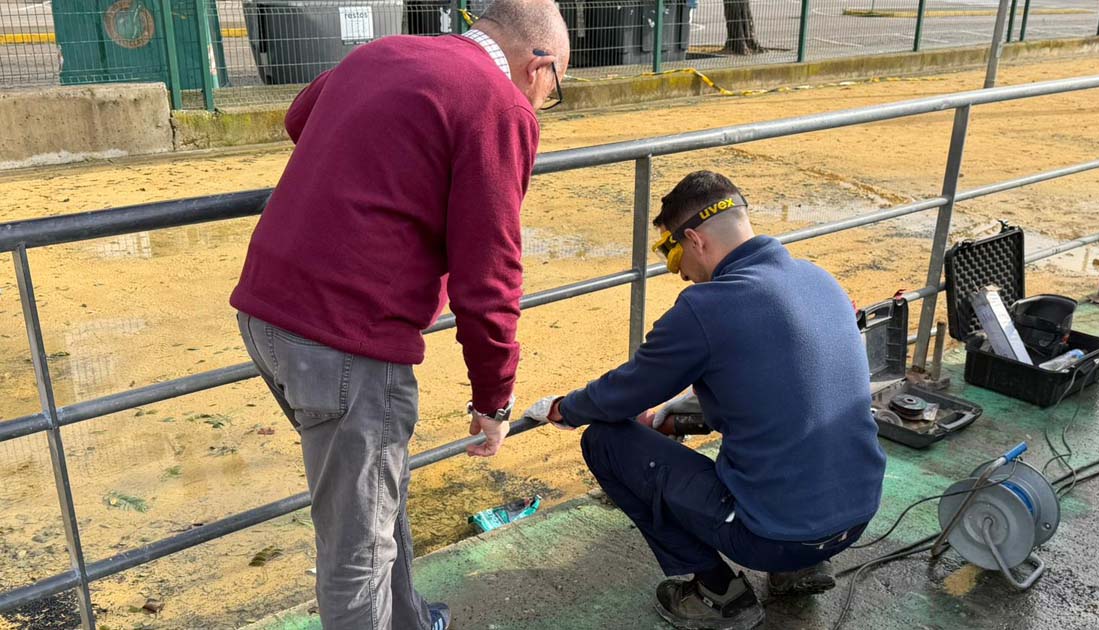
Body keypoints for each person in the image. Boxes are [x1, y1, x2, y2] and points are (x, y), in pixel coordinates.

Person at [229, 3, 570, 628]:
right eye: (555, 90)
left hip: (265, 310)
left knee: (375, 499)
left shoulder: (386, 51)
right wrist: (494, 398)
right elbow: (490, 271)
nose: (544, 102)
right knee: (357, 549)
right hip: (346, 338)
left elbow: (298, 117)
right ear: (539, 64)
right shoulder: (502, 105)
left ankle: (410, 619)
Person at [523, 171, 887, 630]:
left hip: (775, 535)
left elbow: (618, 397)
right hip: (857, 515)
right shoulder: (819, 279)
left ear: (694, 240)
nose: (680, 273)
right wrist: (674, 415)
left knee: (604, 442)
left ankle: (718, 591)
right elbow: (773, 390)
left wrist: (562, 408)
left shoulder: (705, 307)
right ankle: (800, 570)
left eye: (675, 257)